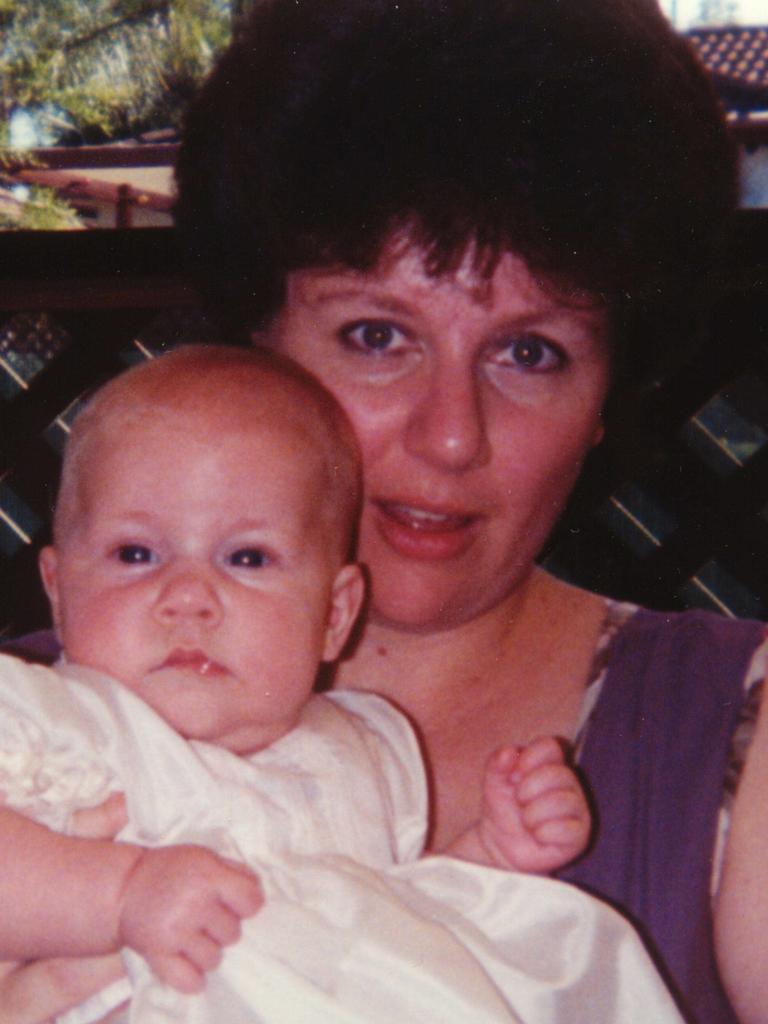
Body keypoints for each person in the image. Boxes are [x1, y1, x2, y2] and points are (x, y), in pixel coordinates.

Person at [6, 0, 768, 1020]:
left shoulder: (729, 734)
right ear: (254, 342)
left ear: (603, 403)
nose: (451, 434)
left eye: (530, 351)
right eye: (376, 335)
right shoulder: (47, 729)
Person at [0, 345, 679, 1023]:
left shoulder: (363, 750)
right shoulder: (57, 723)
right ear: (58, 594)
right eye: (136, 553)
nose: (187, 597)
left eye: (247, 557)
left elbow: (393, 929)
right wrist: (119, 895)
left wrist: (488, 858)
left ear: (334, 613)